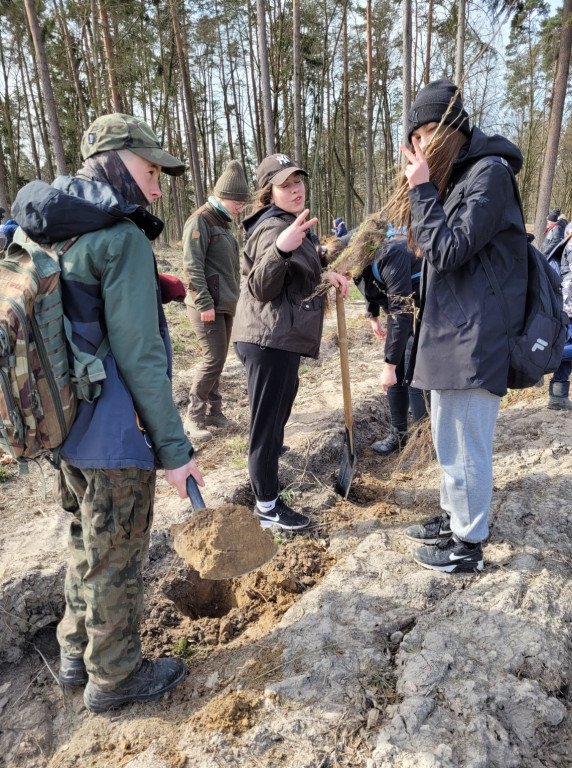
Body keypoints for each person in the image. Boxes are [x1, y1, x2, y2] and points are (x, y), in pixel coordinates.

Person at [12, 113, 204, 712]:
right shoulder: (119, 238)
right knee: (117, 554)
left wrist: (153, 286)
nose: (156, 187)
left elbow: (77, 307)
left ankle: (75, 652)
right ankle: (115, 676)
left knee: (85, 542)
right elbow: (142, 359)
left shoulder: (55, 229)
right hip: (114, 433)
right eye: (150, 171)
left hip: (65, 425)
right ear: (117, 164)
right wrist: (176, 454)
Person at [390, 79, 528, 573]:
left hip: (477, 334)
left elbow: (448, 251)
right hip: (452, 330)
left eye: (430, 130)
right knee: (449, 435)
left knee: (466, 440)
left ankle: (467, 547)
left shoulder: (489, 174)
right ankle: (454, 518)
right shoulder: (460, 176)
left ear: (454, 127)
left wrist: (424, 187)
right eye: (417, 135)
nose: (423, 143)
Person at [232, 154, 348, 530]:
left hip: (277, 338)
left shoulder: (288, 223)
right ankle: (266, 508)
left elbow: (294, 277)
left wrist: (326, 275)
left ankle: (267, 495)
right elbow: (261, 287)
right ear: (269, 192)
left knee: (275, 420)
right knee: (266, 427)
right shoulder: (273, 229)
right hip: (267, 340)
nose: (295, 189)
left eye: (298, 181)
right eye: (285, 185)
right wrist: (281, 247)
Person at [182, 160, 249, 443]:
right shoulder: (202, 220)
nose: (241, 207)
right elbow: (191, 265)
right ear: (224, 196)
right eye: (238, 202)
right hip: (206, 306)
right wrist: (204, 302)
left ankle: (214, 412)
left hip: (225, 304)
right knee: (212, 359)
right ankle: (193, 416)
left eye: (243, 203)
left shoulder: (223, 223)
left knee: (220, 359)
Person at [354, 232, 428, 455]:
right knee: (397, 372)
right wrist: (372, 315)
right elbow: (365, 282)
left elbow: (401, 311)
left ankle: (421, 440)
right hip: (402, 308)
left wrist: (389, 365)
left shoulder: (390, 253)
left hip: (422, 305)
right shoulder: (355, 253)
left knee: (411, 370)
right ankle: (398, 435)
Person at [547, 222, 572, 409]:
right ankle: (541, 360)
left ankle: (558, 395)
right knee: (567, 346)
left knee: (568, 346)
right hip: (569, 301)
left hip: (567, 301)